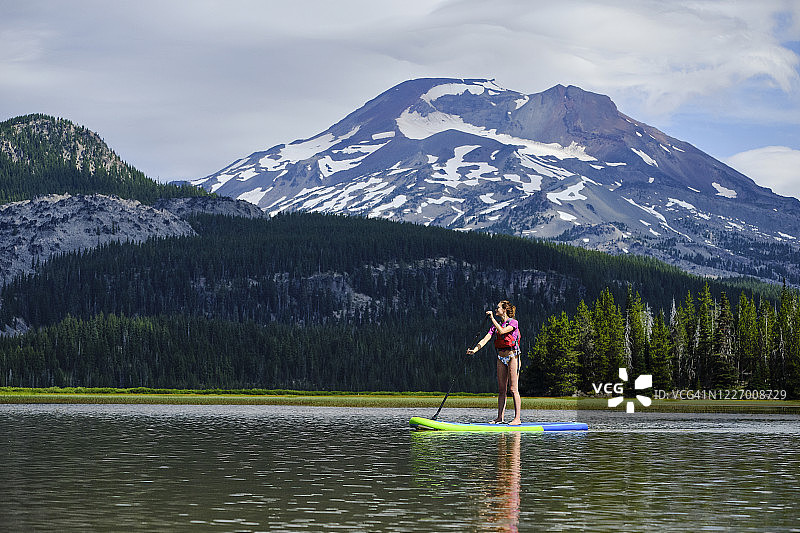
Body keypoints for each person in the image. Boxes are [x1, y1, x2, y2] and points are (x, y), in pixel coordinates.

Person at [466, 301, 522, 425]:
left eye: (498, 307)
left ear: (505, 310)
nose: (496, 309)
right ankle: (499, 418)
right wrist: (474, 350)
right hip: (501, 357)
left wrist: (492, 318)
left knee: (513, 389)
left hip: (513, 356)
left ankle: (517, 418)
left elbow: (502, 331)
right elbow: (486, 339)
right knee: (502, 390)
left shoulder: (513, 322)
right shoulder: (494, 326)